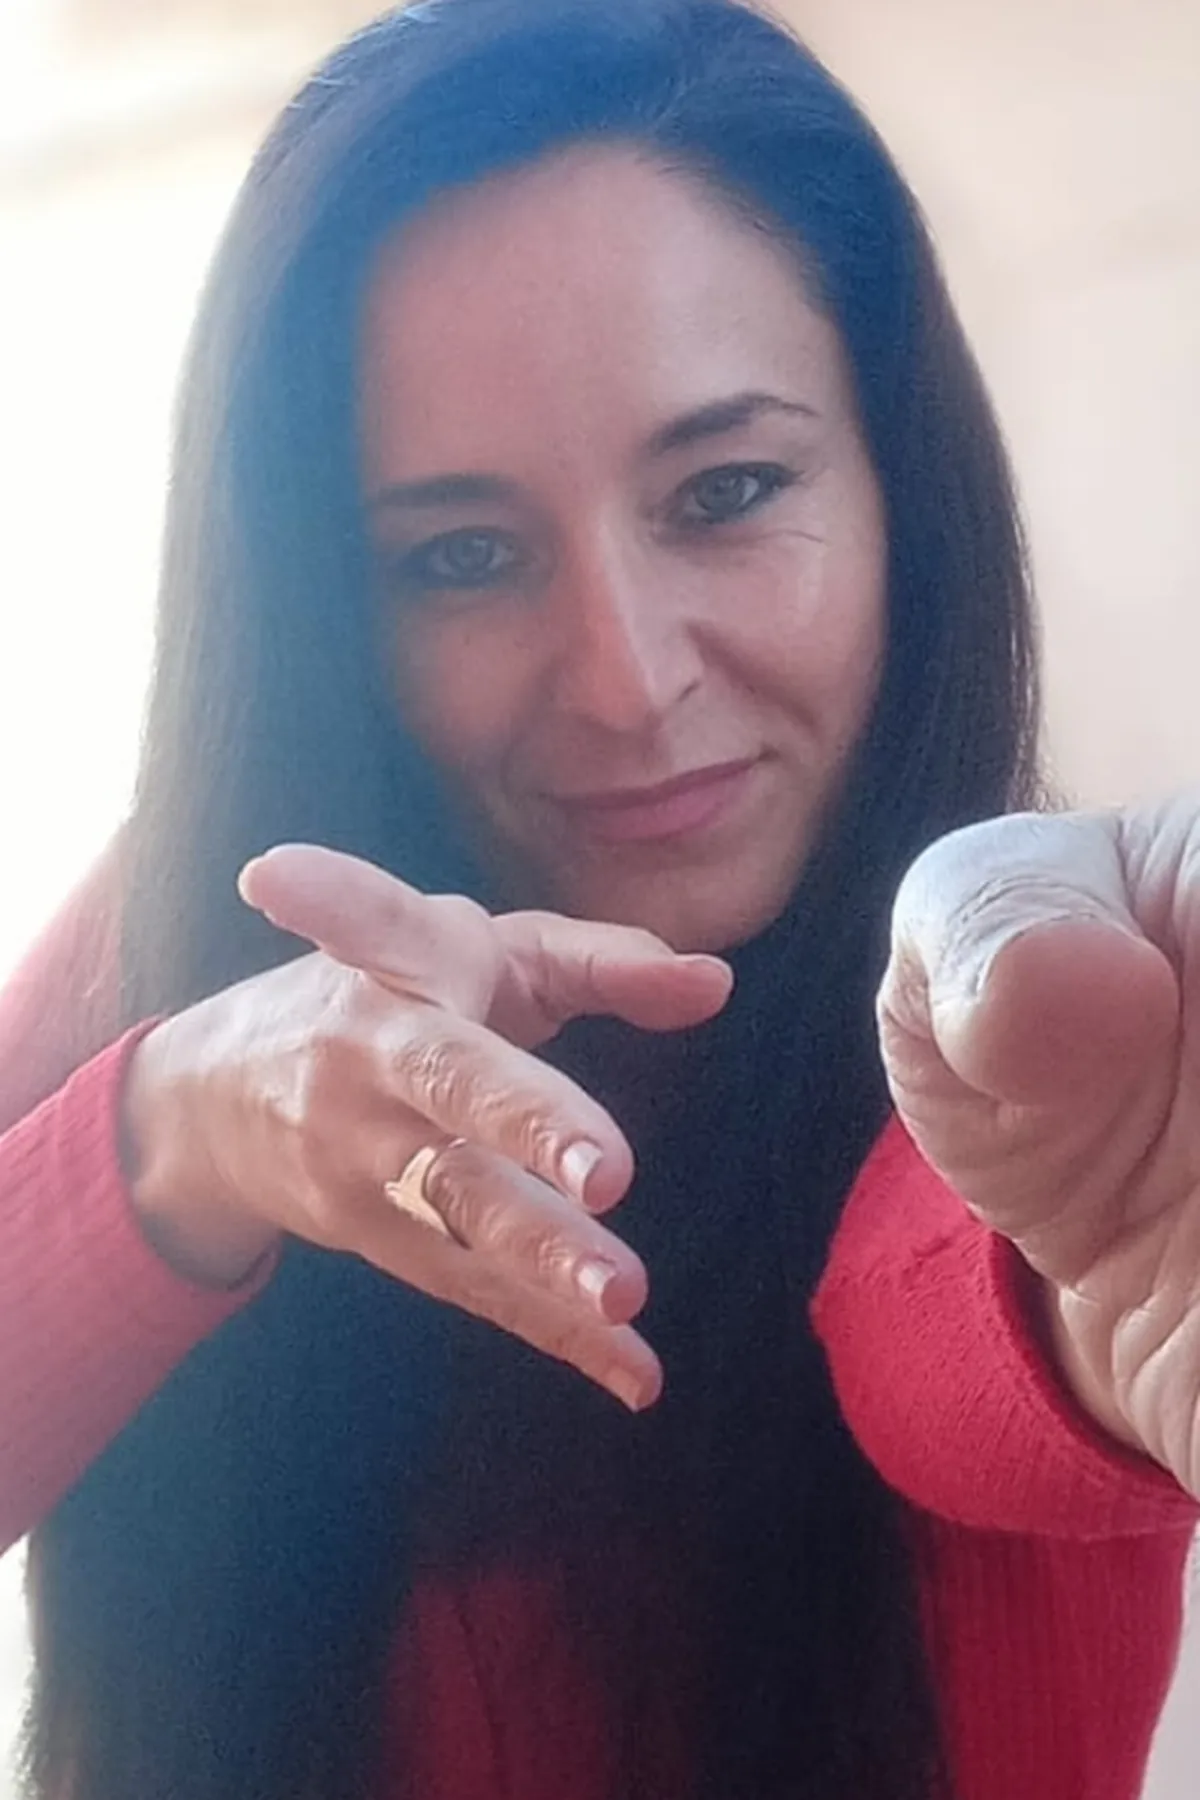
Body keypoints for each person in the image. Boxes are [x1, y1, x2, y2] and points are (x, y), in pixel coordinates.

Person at [1, 1, 1197, 1797]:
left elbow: (935, 1305)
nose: (629, 682)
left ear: (904, 486)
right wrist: (181, 1138)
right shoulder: (194, 938)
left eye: (727, 491)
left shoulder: (1064, 1008)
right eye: (464, 556)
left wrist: (1095, 1288)